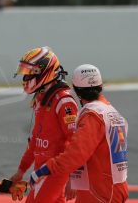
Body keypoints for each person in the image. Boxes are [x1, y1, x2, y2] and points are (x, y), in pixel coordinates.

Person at [30, 64, 129, 202]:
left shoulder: (93, 115)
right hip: (112, 186)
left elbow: (76, 154)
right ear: (100, 86)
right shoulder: (111, 112)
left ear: (76, 90)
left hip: (99, 191)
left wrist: (46, 168)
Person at [9, 46, 78, 202]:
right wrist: (21, 171)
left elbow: (76, 142)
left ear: (43, 71)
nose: (25, 79)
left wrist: (75, 177)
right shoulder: (41, 99)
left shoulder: (63, 100)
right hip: (41, 172)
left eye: (28, 75)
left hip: (56, 173)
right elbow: (34, 140)